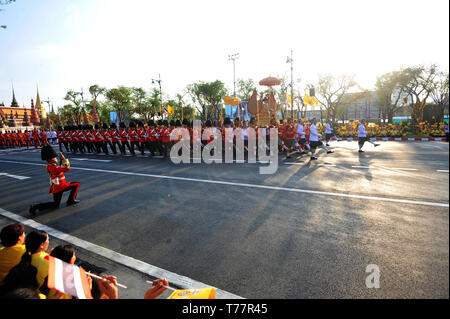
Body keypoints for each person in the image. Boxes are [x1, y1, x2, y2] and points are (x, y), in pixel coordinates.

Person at [29, 144, 80, 216]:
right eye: (54, 157)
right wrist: (64, 159)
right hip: (60, 186)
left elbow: (60, 168)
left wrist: (62, 160)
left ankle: (35, 207)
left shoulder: (51, 166)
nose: (56, 158)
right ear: (50, 159)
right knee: (77, 184)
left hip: (56, 187)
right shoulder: (53, 167)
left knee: (55, 204)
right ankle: (71, 200)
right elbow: (67, 168)